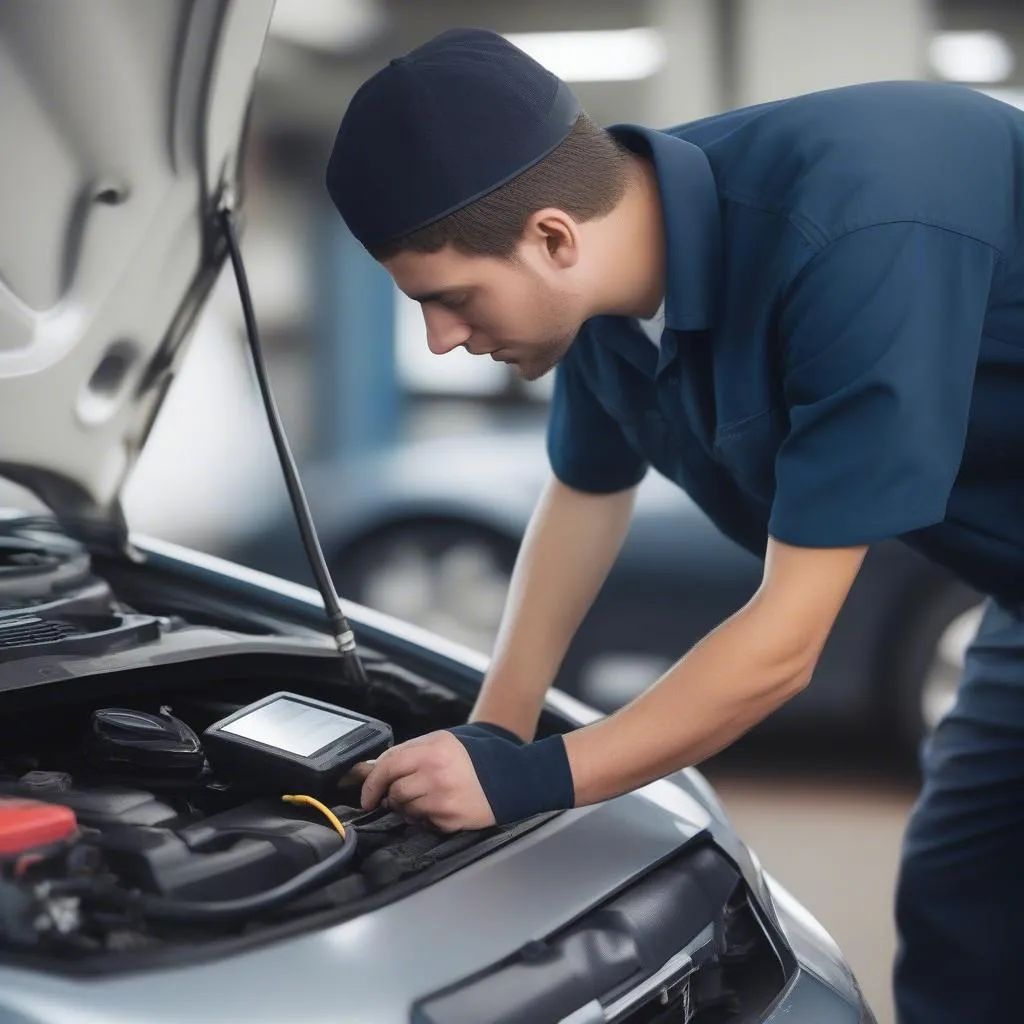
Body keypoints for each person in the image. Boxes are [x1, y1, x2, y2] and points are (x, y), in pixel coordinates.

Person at [325, 28, 1024, 1024]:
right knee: (963, 896)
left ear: (554, 237)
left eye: (449, 298)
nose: (440, 338)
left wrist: (536, 778)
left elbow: (785, 645)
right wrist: (495, 725)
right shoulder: (609, 286)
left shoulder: (856, 229)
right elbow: (579, 503)